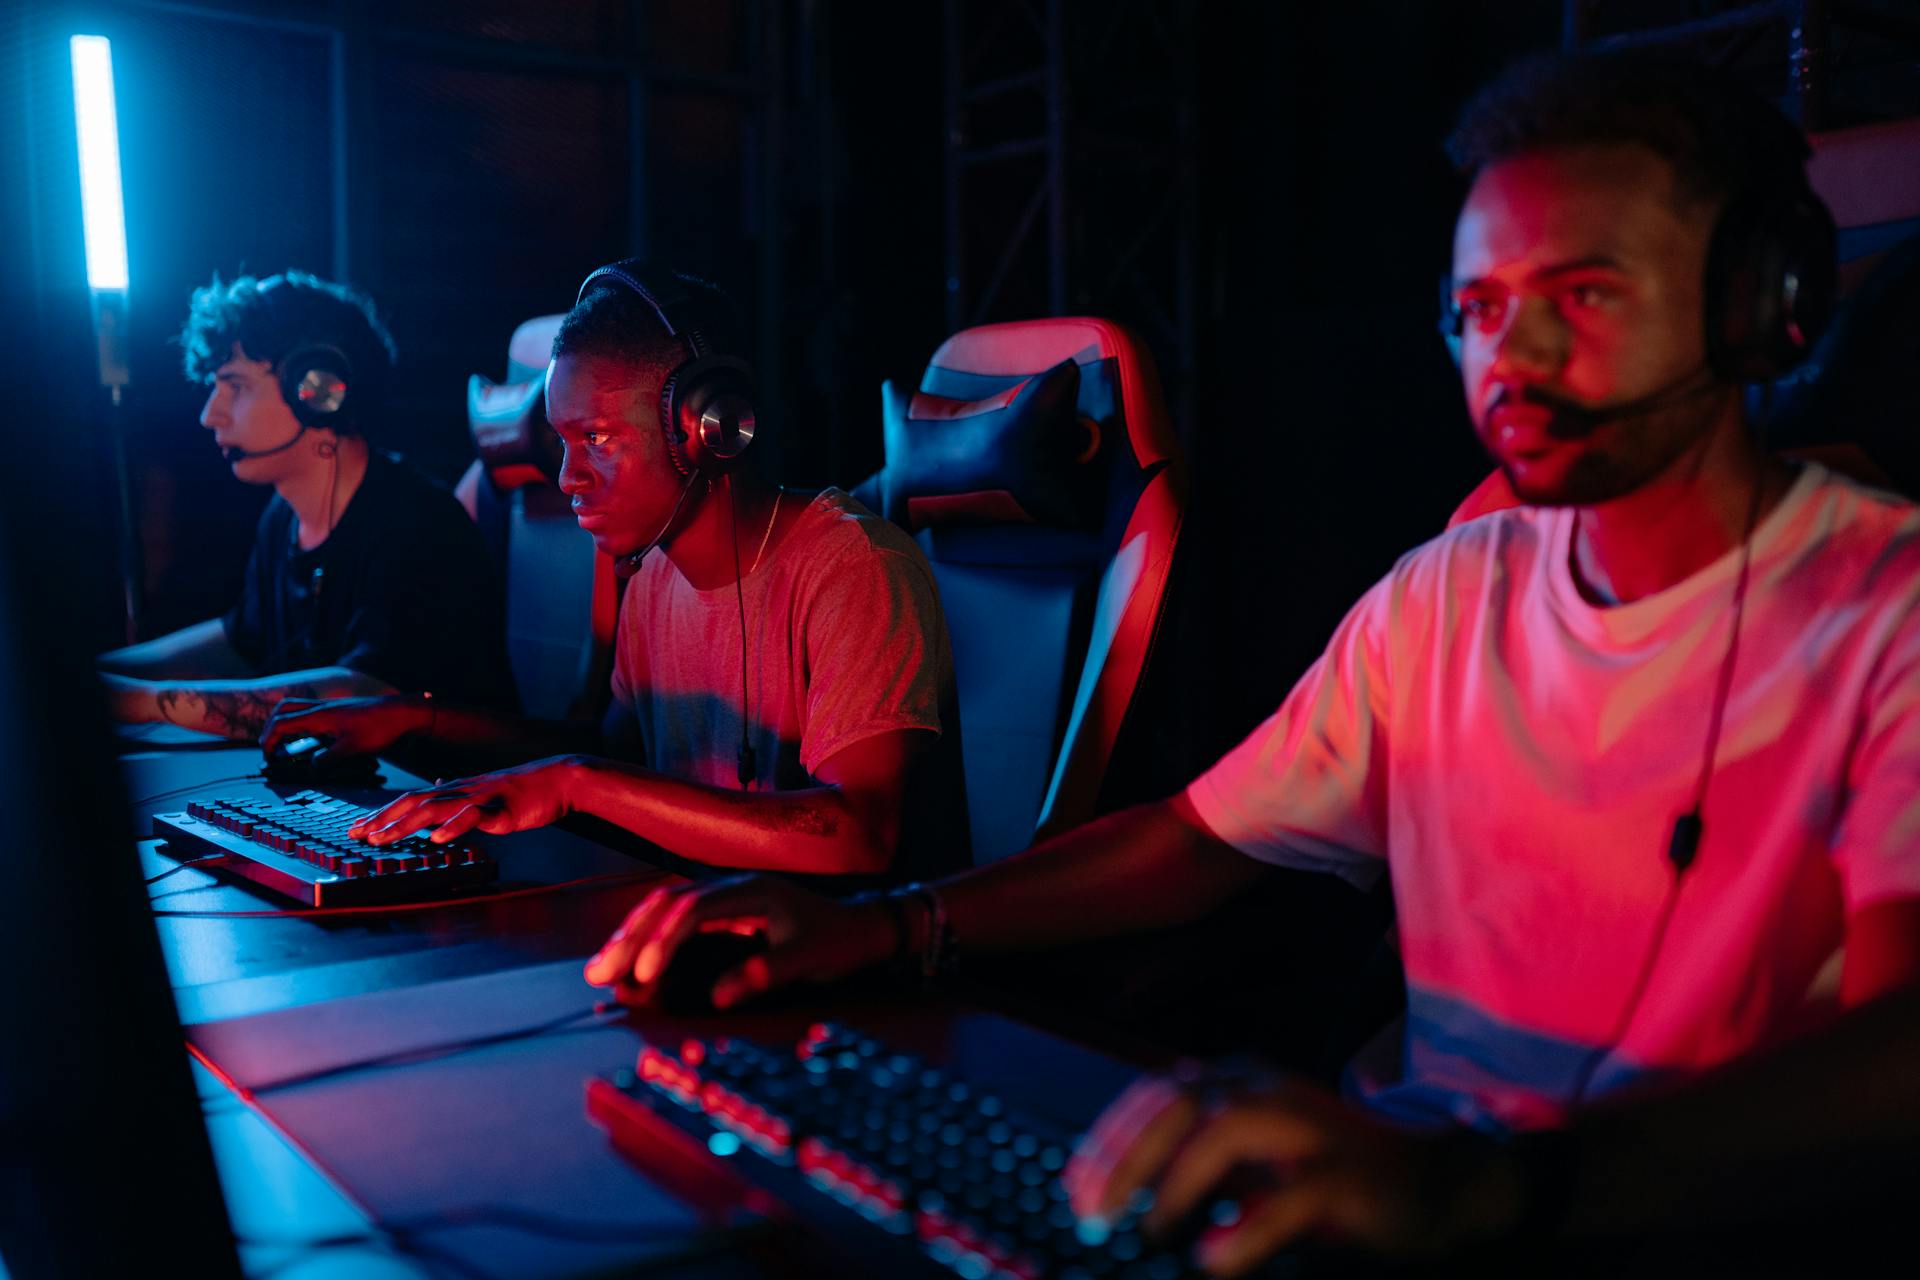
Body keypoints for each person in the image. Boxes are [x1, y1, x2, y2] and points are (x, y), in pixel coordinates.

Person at [578, 49, 1920, 1266]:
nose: (1518, 353)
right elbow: (1197, 837)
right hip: (1405, 1203)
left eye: (1582, 293)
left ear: (1762, 305)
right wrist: (887, 928)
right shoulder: (1443, 598)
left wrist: (1490, 1184)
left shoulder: (1886, 611)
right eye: (1484, 308)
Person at [264, 264, 966, 880]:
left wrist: (578, 783)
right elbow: (612, 760)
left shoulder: (856, 569)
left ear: (706, 429)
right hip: (703, 944)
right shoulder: (653, 577)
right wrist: (414, 718)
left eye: (595, 440)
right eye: (561, 442)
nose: (568, 477)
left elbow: (859, 835)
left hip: (872, 995)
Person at [98, 271, 516, 739]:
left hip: (444, 791)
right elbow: (238, 640)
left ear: (319, 391)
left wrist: (140, 703)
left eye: (235, 386)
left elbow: (357, 695)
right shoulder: (284, 519)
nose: (209, 413)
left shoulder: (418, 526)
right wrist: (86, 678)